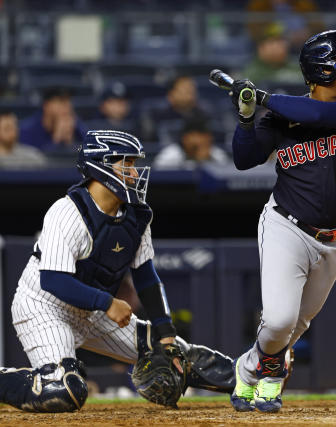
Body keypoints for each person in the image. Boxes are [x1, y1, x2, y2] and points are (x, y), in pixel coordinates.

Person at [0, 130, 235, 412]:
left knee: (171, 353)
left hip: (93, 310)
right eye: (127, 164)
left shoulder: (136, 214)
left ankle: (249, 378)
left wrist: (166, 332)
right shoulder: (67, 212)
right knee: (63, 390)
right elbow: (53, 280)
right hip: (44, 308)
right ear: (100, 166)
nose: (134, 173)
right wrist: (107, 302)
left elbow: (146, 277)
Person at [222, 29, 336, 413]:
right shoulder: (280, 114)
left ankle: (250, 366)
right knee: (279, 321)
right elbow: (244, 159)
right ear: (324, 69)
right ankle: (271, 372)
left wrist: (263, 98)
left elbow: (320, 113)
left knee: (295, 326)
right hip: (286, 226)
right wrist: (246, 119)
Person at [143, 76, 211, 142]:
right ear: (170, 94)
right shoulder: (158, 116)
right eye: (185, 89)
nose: (190, 92)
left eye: (192, 88)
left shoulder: (204, 115)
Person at [19, 87, 87, 151]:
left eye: (68, 100)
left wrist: (70, 143)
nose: (67, 106)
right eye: (61, 101)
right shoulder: (26, 131)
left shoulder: (76, 126)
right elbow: (30, 160)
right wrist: (57, 141)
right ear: (46, 105)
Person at [154, 120, 230, 169]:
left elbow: (225, 176)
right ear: (184, 138)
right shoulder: (169, 154)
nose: (202, 140)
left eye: (205, 136)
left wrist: (206, 160)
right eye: (196, 135)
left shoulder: (217, 154)